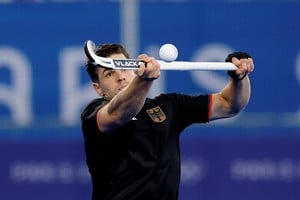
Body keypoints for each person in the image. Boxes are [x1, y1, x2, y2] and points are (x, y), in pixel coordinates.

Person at [81, 43, 254, 200]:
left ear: (134, 69)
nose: (121, 77)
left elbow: (229, 104)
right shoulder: (93, 114)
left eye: (125, 67)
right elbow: (119, 113)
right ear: (98, 88)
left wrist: (239, 78)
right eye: (110, 73)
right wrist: (144, 81)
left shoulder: (169, 106)